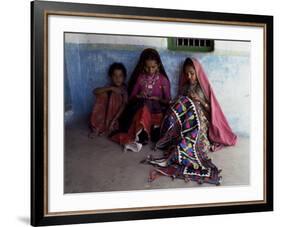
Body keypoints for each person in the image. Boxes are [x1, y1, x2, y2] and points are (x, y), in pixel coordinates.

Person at [143, 57, 237, 185]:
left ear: (197, 73)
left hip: (200, 121)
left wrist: (199, 100)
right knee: (180, 104)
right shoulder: (185, 87)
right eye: (187, 73)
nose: (189, 76)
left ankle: (189, 146)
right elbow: (180, 105)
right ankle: (172, 140)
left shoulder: (203, 88)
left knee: (189, 110)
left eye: (192, 73)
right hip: (186, 121)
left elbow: (212, 110)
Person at [111, 48, 171, 152]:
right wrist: (139, 95)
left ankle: (146, 134)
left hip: (157, 112)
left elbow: (168, 101)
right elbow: (131, 99)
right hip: (141, 112)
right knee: (144, 104)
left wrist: (158, 99)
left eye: (153, 67)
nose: (150, 70)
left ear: (158, 66)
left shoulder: (163, 80)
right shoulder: (140, 78)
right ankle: (142, 135)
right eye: (147, 67)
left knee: (158, 134)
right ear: (143, 66)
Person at [89, 62, 128, 137]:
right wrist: (111, 88)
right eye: (115, 76)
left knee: (115, 95)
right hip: (105, 114)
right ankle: (98, 127)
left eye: (120, 76)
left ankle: (106, 126)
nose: (118, 78)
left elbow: (124, 106)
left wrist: (113, 121)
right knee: (102, 94)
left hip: (116, 116)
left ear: (124, 77)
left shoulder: (124, 90)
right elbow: (95, 91)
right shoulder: (109, 86)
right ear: (111, 77)